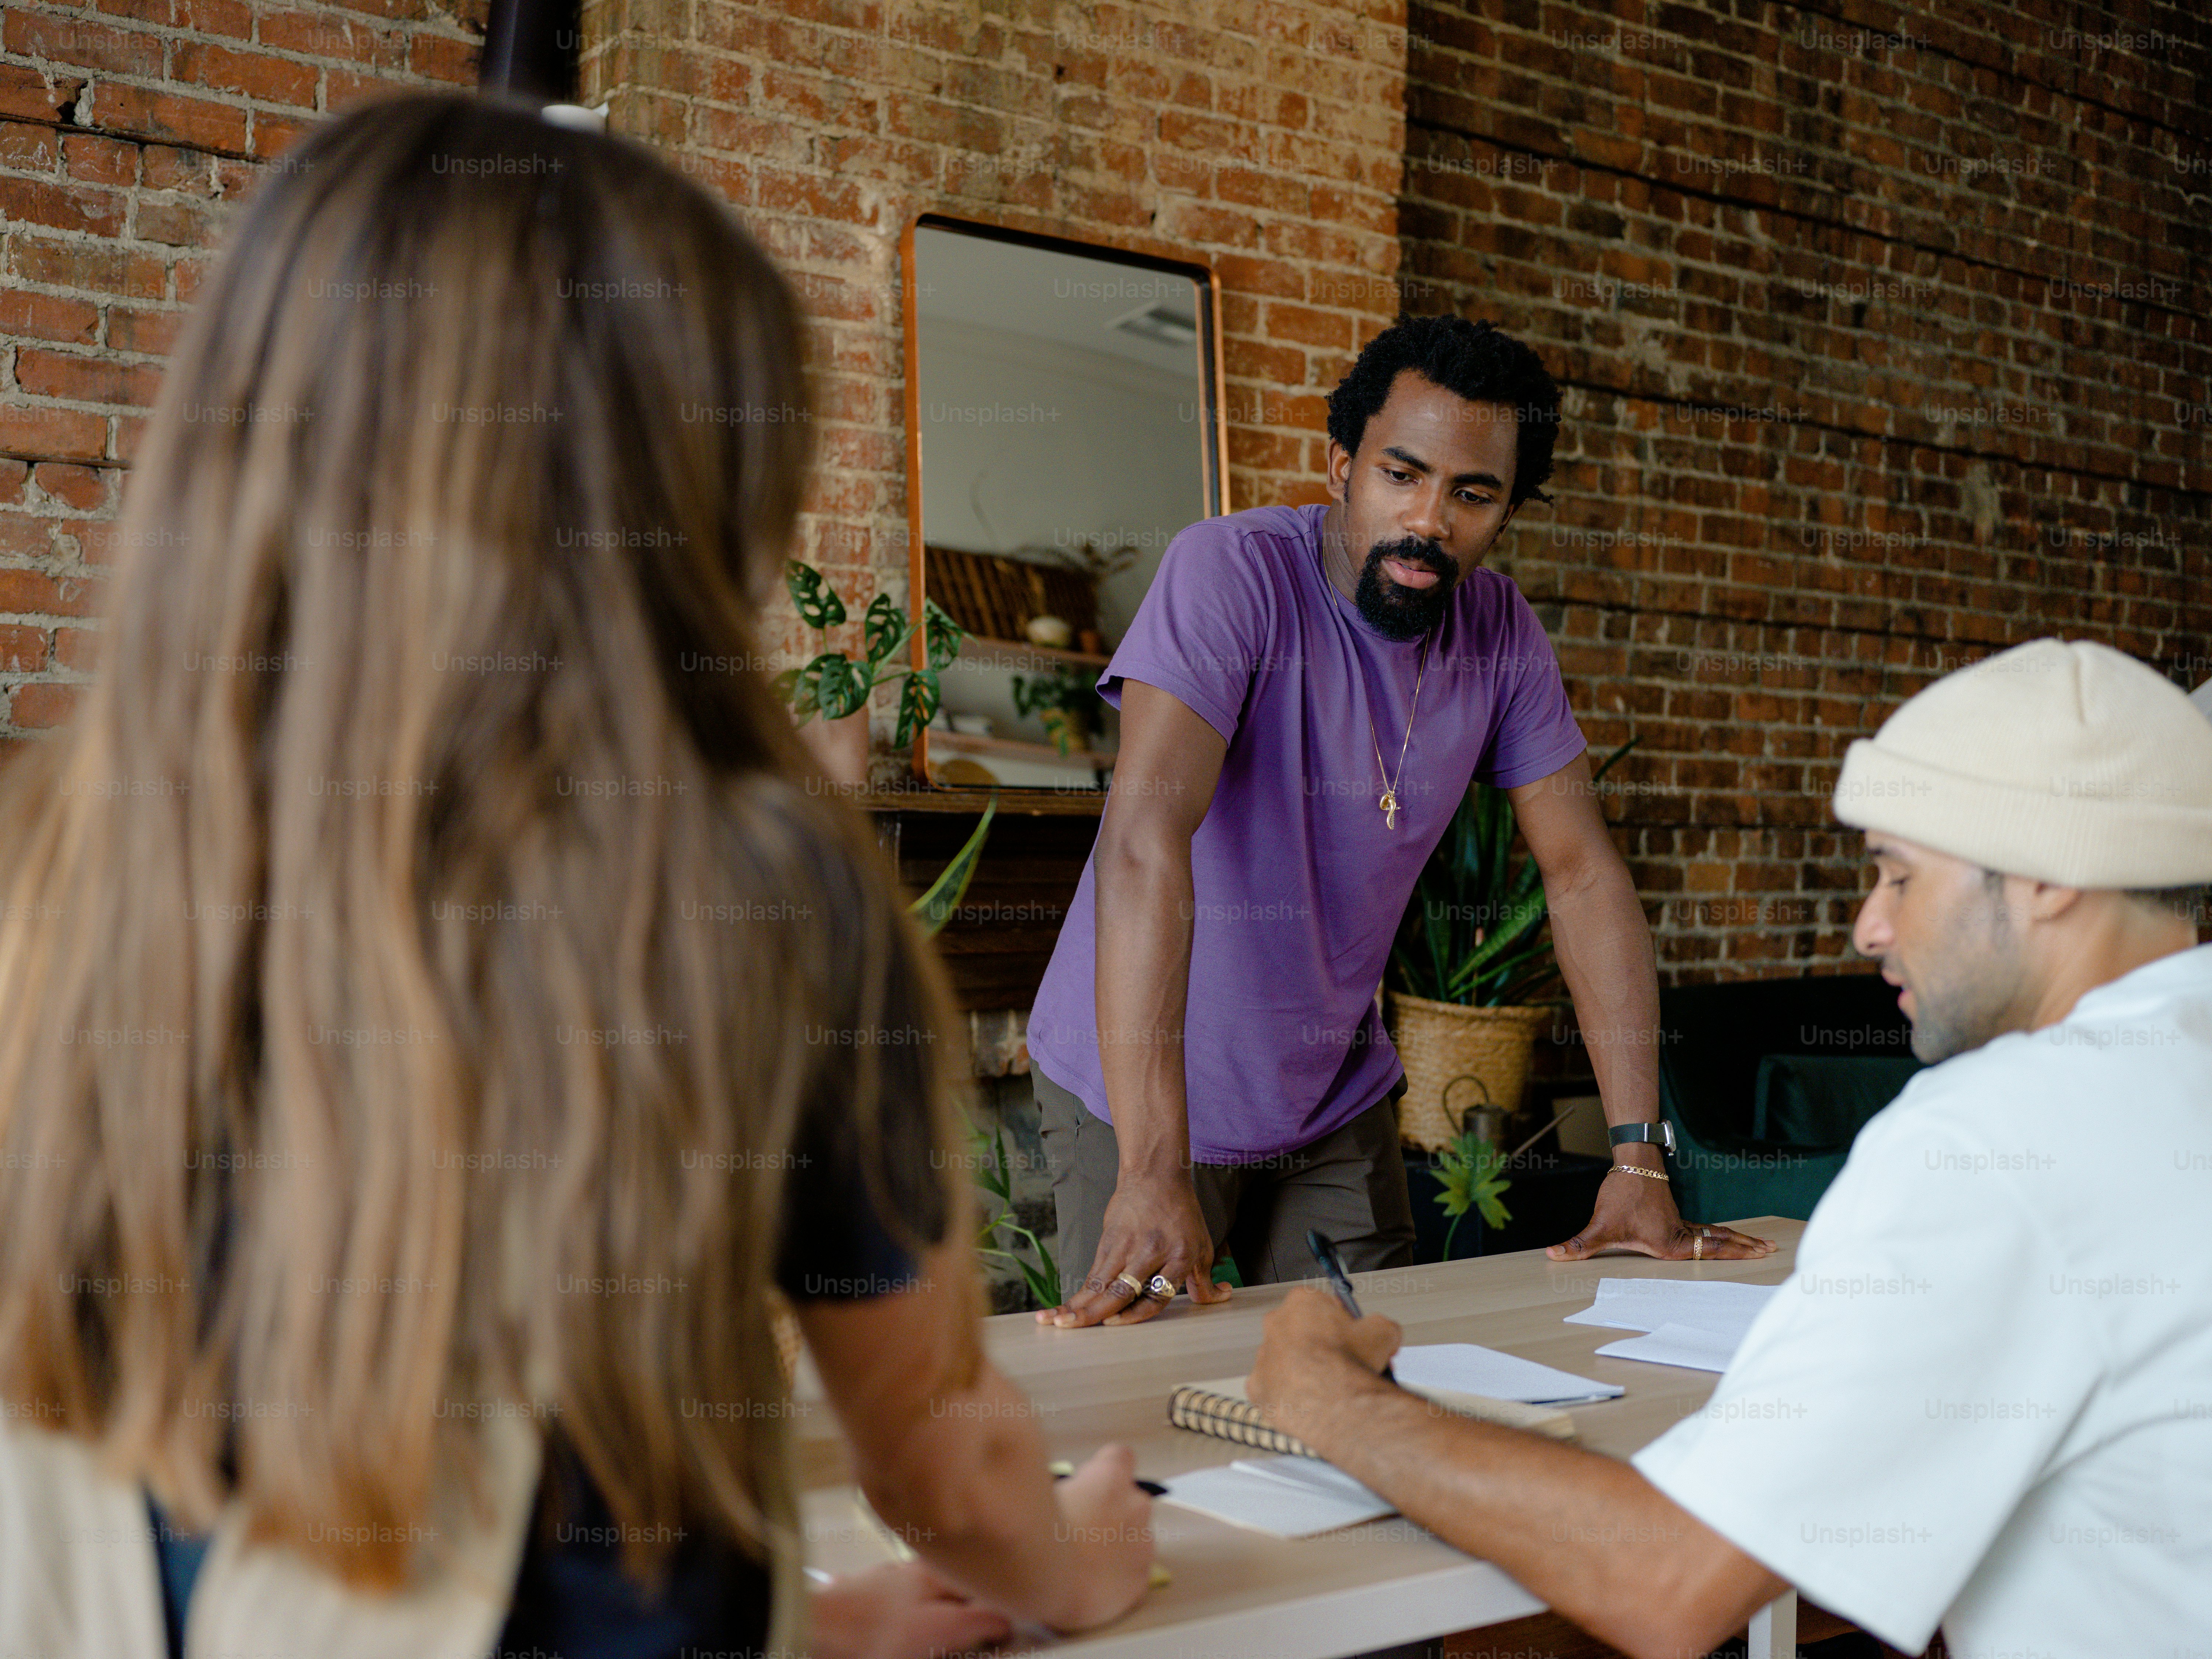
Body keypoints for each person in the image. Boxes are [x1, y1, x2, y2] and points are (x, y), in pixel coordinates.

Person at [0, 91, 1151, 1659]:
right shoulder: (742, 894)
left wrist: (799, 1633)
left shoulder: (57, 856)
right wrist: (1076, 1569)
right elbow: (941, 1440)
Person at [1246, 637, 2212, 1657]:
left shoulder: (2002, 1135)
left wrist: (1333, 1402)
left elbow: (1672, 1576)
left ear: (2045, 878)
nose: (1867, 926)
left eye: (1898, 875)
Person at [1026, 313, 1769, 1331]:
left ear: (1508, 508)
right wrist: (1154, 1167)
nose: (1429, 519)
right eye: (1401, 475)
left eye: (1473, 493)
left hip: (1328, 1098)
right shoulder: (1231, 576)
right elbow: (1144, 842)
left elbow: (1583, 875)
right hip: (1143, 1096)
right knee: (1144, 1400)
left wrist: (1638, 1151)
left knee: (1373, 1377)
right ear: (1342, 465)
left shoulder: (1501, 637)